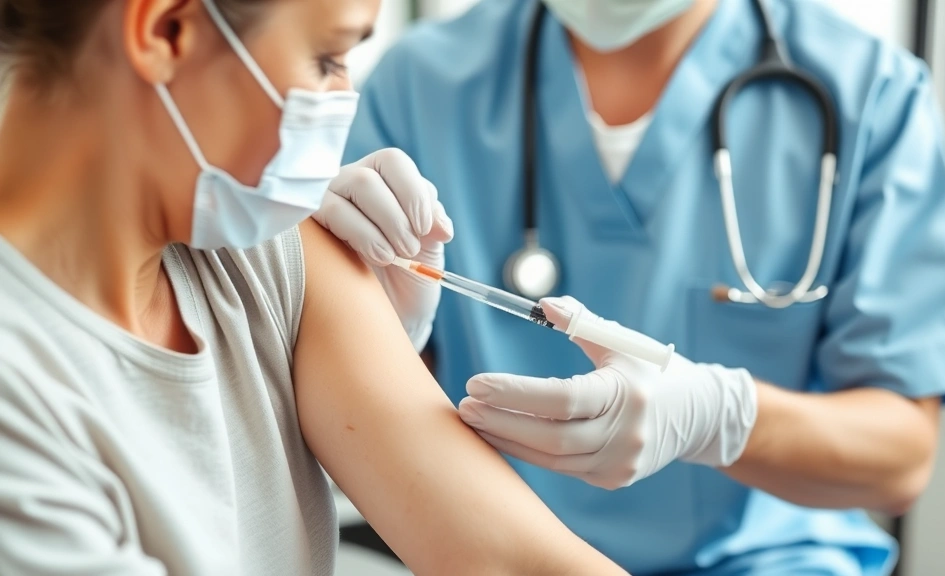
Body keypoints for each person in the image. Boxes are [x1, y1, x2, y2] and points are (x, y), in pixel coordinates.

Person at [318, 0, 945, 574]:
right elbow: (357, 407)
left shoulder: (869, 92)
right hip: (487, 547)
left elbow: (898, 456)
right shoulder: (422, 83)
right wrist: (389, 334)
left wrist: (720, 415)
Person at [0, 0, 630, 574]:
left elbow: (514, 559)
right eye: (328, 57)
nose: (343, 97)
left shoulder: (265, 249)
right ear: (167, 29)